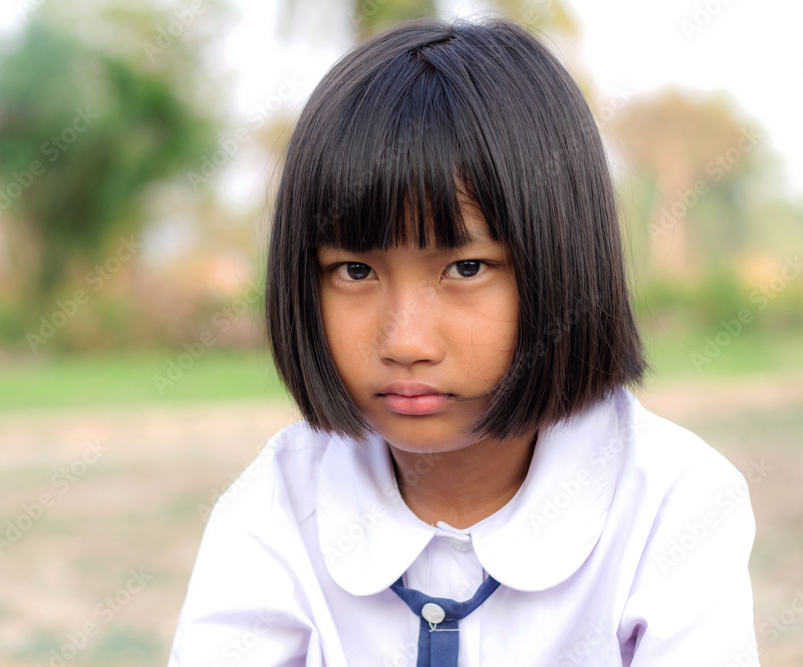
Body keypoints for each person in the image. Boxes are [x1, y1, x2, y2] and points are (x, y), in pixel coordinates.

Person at [168, 17, 759, 667]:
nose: (406, 341)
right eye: (355, 271)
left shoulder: (672, 503)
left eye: (466, 267)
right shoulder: (278, 506)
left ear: (563, 261)